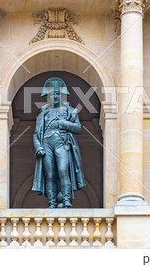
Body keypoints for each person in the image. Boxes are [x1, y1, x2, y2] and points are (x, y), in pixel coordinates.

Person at [31, 77, 86, 208]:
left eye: (57, 94)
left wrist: (62, 123)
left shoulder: (70, 110)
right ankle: (52, 202)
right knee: (50, 174)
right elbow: (36, 133)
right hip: (46, 143)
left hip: (62, 142)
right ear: (47, 96)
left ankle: (66, 200)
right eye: (52, 94)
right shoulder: (43, 114)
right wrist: (38, 147)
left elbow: (77, 128)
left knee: (62, 171)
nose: (55, 96)